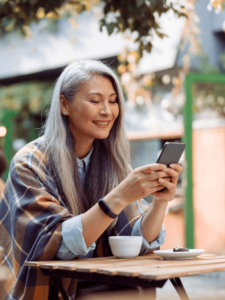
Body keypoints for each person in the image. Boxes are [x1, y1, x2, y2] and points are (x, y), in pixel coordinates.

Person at [0, 60, 182, 300]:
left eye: (113, 100)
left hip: (108, 292)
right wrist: (118, 197)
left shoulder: (114, 163)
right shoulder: (29, 163)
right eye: (95, 101)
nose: (107, 110)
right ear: (64, 104)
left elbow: (135, 241)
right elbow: (55, 246)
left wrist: (160, 202)